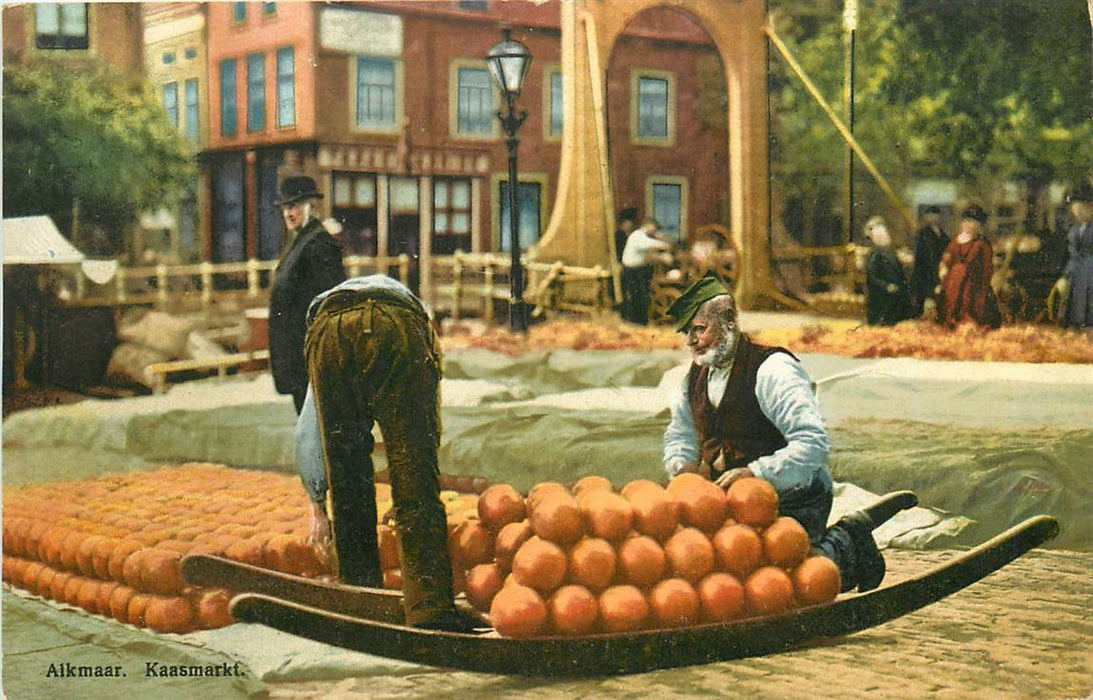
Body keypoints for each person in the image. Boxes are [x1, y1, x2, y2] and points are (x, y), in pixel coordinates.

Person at [661, 274, 886, 593]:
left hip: (793, 495)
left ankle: (847, 542)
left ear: (728, 323)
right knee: (710, 564)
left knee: (775, 578)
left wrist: (757, 473)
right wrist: (682, 468)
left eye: (699, 329)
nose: (691, 341)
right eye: (687, 332)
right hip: (733, 500)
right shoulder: (696, 375)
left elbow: (812, 444)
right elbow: (680, 433)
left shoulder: (772, 369)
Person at [294, 274, 471, 632]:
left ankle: (360, 601)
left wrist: (317, 502)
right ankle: (430, 612)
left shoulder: (329, 314)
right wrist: (417, 475)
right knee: (412, 472)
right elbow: (425, 418)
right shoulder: (414, 317)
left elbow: (309, 428)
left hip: (327, 331)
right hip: (394, 326)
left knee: (347, 480)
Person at [268, 174, 346, 414]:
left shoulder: (318, 243)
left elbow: (332, 303)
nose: (287, 214)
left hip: (310, 359)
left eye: (293, 206)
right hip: (295, 358)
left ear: (311, 206)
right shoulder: (299, 241)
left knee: (318, 428)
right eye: (284, 208)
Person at [935, 205, 1002, 329]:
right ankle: (951, 322)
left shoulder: (982, 243)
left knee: (970, 303)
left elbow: (987, 265)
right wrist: (943, 268)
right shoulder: (956, 240)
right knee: (950, 301)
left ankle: (969, 323)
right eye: (966, 222)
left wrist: (984, 282)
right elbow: (947, 257)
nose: (968, 225)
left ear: (979, 225)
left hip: (973, 281)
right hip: (953, 280)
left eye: (972, 222)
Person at [620, 217, 672, 325]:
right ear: (648, 226)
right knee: (635, 296)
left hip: (640, 269)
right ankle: (633, 322)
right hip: (631, 270)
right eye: (655, 228)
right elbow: (648, 244)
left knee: (643, 295)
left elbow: (649, 255)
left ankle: (641, 321)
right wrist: (666, 245)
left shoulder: (646, 237)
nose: (656, 231)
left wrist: (662, 257)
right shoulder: (637, 235)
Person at [862, 216, 912, 326]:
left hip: (894, 296)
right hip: (880, 297)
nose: (884, 236)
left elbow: (899, 271)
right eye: (880, 235)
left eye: (884, 234)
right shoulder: (874, 255)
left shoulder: (891, 252)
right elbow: (872, 277)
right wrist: (886, 286)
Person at [1057, 186, 1093, 330]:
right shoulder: (1074, 230)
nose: (1076, 211)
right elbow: (1072, 255)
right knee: (1074, 306)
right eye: (1074, 208)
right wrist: (1064, 277)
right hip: (1076, 274)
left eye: (1080, 208)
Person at [909, 206, 950, 317]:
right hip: (924, 273)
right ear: (926, 217)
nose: (933, 218)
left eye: (935, 215)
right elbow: (919, 258)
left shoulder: (943, 235)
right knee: (924, 305)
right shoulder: (922, 234)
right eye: (930, 215)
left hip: (939, 271)